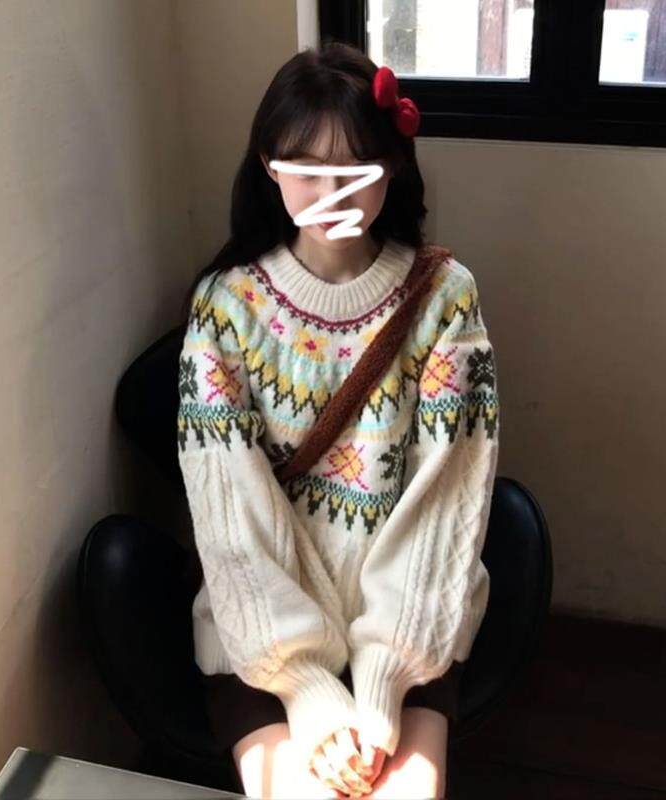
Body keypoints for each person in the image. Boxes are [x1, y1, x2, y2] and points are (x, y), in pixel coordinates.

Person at [176, 40, 500, 799]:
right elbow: (228, 514)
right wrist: (306, 687)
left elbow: (450, 494)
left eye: (357, 167)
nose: (333, 193)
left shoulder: (446, 299)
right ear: (270, 167)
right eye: (307, 168)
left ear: (392, 166)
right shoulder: (225, 309)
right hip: (263, 642)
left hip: (413, 632)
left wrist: (384, 676)